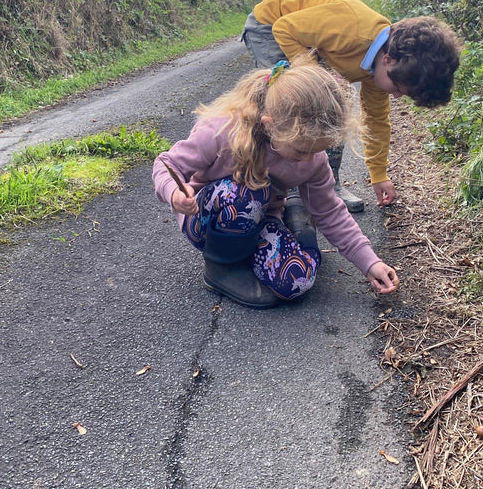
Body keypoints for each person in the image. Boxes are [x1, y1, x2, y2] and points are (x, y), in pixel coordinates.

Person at [152, 58, 399, 309]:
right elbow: (166, 164)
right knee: (248, 194)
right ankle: (221, 268)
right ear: (270, 125)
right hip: (208, 219)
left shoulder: (314, 160)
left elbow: (330, 212)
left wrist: (370, 263)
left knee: (297, 282)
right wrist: (174, 192)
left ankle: (300, 228)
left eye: (316, 151)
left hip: (263, 219)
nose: (307, 159)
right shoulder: (222, 130)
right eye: (301, 150)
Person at [241, 0, 462, 211]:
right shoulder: (353, 30)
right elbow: (284, 28)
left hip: (307, 37)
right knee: (290, 103)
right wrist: (316, 77)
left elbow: (376, 120)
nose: (395, 96)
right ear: (388, 60)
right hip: (270, 25)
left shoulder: (383, 66)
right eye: (398, 88)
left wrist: (379, 174)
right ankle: (270, 184)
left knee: (335, 105)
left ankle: (328, 185)